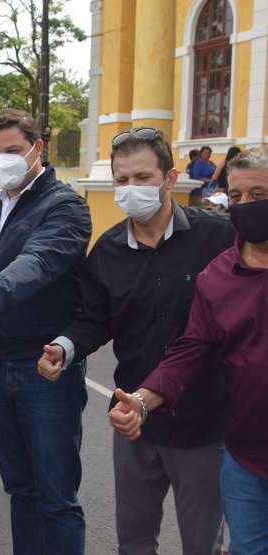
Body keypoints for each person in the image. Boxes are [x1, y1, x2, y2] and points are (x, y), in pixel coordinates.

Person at [38, 126, 235, 555]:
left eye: (143, 177)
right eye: (122, 180)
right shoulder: (107, 251)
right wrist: (64, 347)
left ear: (170, 177)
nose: (131, 188)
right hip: (133, 420)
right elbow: (94, 320)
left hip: (205, 422)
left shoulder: (219, 236)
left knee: (204, 544)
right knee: (134, 540)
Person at [0, 108, 92, 554]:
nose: (2, 160)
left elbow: (38, 262)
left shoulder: (65, 206)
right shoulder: (1, 202)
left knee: (56, 496)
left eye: (12, 150)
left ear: (37, 149)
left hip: (44, 365)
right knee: (21, 490)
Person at [109, 146, 268, 555]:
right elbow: (192, 349)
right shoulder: (217, 276)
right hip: (247, 456)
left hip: (213, 434)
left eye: (259, 195)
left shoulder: (207, 236)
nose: (245, 206)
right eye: (235, 196)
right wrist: (142, 401)